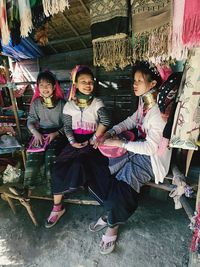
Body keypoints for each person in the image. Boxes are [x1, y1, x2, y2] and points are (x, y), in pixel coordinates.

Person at [86, 61, 172, 255]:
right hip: (138, 146)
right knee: (104, 169)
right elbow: (133, 120)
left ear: (152, 85)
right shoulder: (145, 101)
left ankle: (113, 225)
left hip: (153, 158)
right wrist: (111, 132)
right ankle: (110, 212)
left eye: (139, 81)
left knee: (124, 181)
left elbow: (151, 148)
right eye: (134, 80)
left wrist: (120, 144)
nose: (134, 84)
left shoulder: (158, 113)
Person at [45, 65, 111, 228]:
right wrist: (73, 142)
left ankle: (110, 208)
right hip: (74, 141)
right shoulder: (69, 106)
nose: (88, 85)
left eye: (90, 82)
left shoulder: (97, 103)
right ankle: (57, 208)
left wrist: (93, 139)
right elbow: (67, 127)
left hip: (93, 141)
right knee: (59, 166)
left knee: (90, 166)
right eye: (83, 82)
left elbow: (106, 122)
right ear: (75, 85)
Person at [9, 71, 66, 195]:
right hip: (41, 133)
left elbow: (68, 125)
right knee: (33, 155)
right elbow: (31, 120)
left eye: (48, 85)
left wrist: (56, 134)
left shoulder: (62, 103)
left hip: (58, 134)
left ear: (54, 86)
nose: (45, 88)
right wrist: (35, 132)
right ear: (38, 87)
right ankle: (26, 189)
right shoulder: (36, 103)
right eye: (41, 85)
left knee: (50, 156)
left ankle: (53, 189)